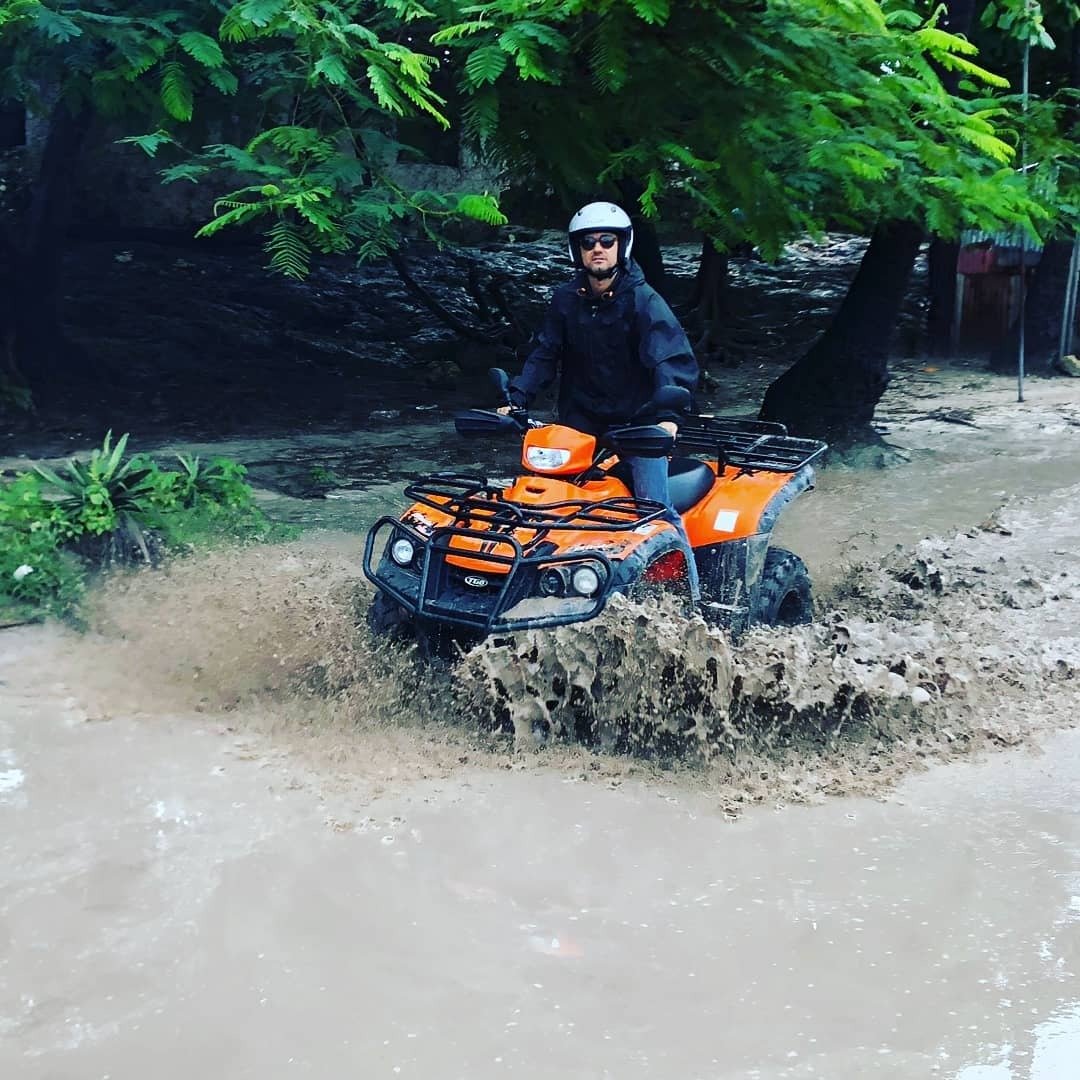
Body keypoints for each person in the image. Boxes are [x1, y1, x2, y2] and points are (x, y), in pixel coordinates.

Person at [500, 200, 701, 602]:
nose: (598, 248)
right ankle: (532, 588)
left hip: (638, 425)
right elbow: (545, 353)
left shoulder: (644, 301)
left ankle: (691, 598)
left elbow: (670, 359)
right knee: (539, 504)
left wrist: (667, 416)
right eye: (588, 241)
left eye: (606, 240)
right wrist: (517, 397)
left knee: (654, 510)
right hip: (579, 424)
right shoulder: (564, 300)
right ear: (577, 250)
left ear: (621, 246)